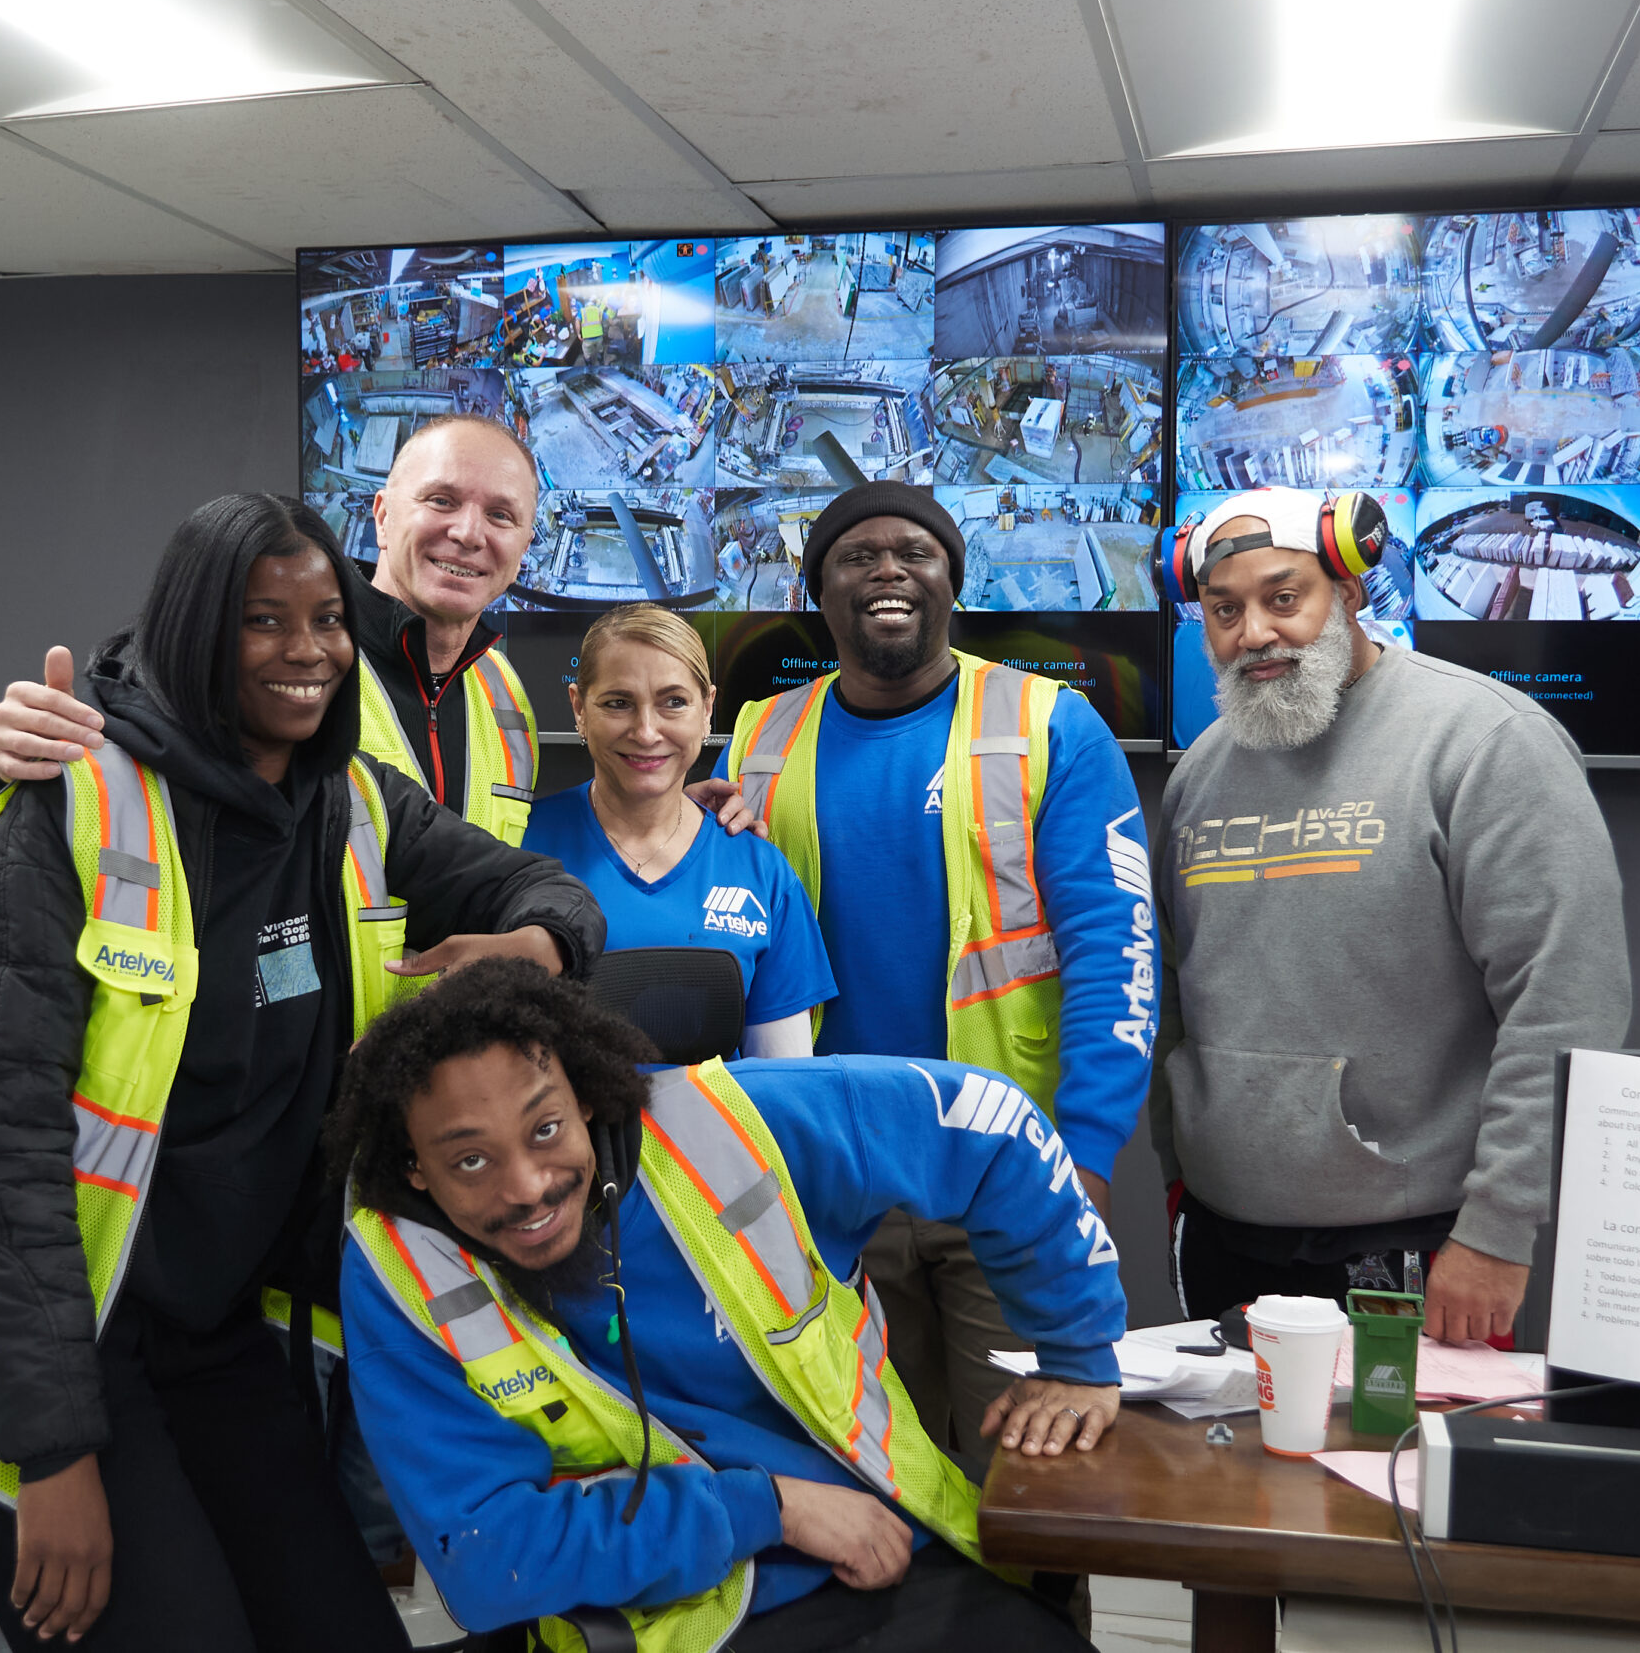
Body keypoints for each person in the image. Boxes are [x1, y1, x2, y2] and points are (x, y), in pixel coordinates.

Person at [0, 495, 606, 1652]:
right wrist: (54, 1454)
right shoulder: (75, 804)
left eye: (327, 618)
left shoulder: (347, 802)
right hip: (48, 1335)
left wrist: (538, 945)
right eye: (262, 619)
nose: (307, 649)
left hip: (213, 1324)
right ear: (194, 629)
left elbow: (542, 887)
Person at [328, 960, 1123, 1652]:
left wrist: (1080, 1355)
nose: (527, 1187)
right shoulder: (400, 1274)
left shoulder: (727, 1125)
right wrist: (766, 1508)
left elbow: (992, 1122)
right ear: (415, 1167)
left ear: (586, 1099)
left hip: (894, 1562)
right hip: (662, 1623)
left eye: (546, 1129)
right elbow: (482, 1560)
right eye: (471, 1160)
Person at [715, 480, 1157, 1471]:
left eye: (914, 553)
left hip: (1002, 1173)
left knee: (1030, 1481)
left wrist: (1083, 1157)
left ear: (952, 581)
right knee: (876, 1478)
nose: (887, 570)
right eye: (856, 556)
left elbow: (1116, 952)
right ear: (818, 590)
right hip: (832, 1178)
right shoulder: (758, 735)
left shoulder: (1050, 723)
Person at [1152, 487, 1631, 1344]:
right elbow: (1173, 997)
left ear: (1349, 591)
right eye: (1224, 611)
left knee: (1399, 1445)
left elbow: (1566, 1000)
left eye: (1283, 597)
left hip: (1417, 1250)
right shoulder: (1202, 773)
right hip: (1222, 1239)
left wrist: (1499, 1230)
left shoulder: (1484, 741)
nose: (1253, 633)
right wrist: (1176, 1176)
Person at [0, 412, 751, 841]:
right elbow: (147, 717)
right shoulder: (287, 662)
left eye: (500, 515)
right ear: (382, 516)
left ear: (525, 544)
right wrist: (19, 748)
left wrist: (668, 809)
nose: (467, 533)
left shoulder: (501, 690)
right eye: (441, 501)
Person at [523, 602, 835, 1057]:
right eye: (618, 703)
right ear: (579, 708)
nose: (646, 731)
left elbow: (782, 1082)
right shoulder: (518, 845)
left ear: (707, 709)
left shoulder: (761, 872)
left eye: (674, 702)